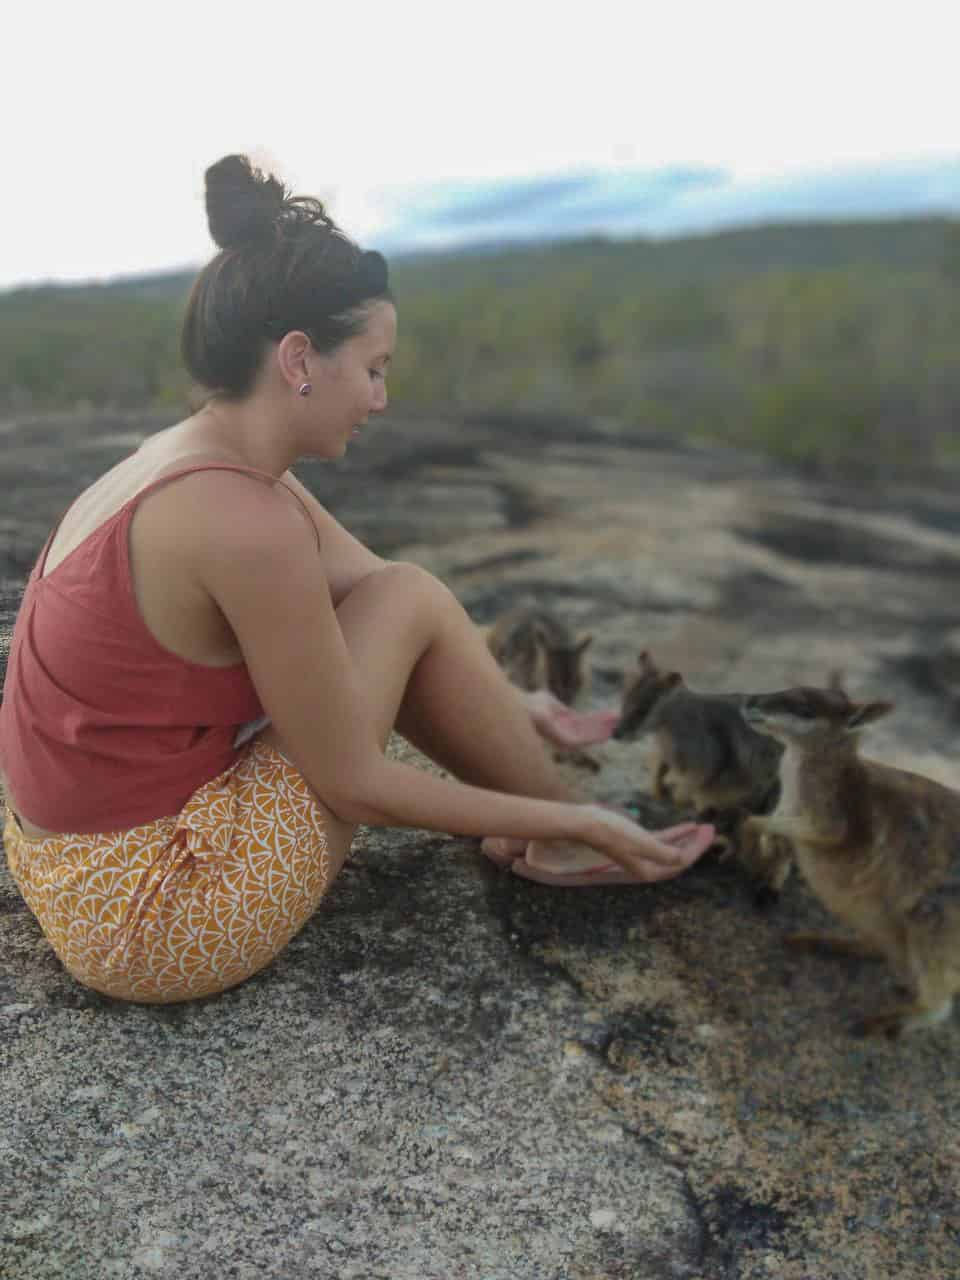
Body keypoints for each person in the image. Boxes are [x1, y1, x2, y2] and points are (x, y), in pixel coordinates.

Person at [0, 155, 714, 1004]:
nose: (380, 398)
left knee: (402, 592)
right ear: (300, 357)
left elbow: (383, 599)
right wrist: (572, 815)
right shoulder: (240, 522)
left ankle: (549, 810)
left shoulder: (195, 457)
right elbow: (355, 784)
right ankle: (570, 841)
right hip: (152, 916)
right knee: (409, 599)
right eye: (373, 368)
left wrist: (500, 701)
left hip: (64, 863)